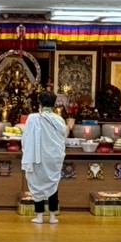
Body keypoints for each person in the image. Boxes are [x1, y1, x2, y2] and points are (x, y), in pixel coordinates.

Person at [21, 91, 68, 224]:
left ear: (40, 103)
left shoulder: (33, 118)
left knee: (37, 183)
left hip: (37, 156)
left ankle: (39, 216)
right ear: (54, 104)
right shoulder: (59, 119)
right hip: (53, 156)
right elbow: (63, 137)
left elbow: (25, 137)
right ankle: (52, 216)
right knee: (53, 183)